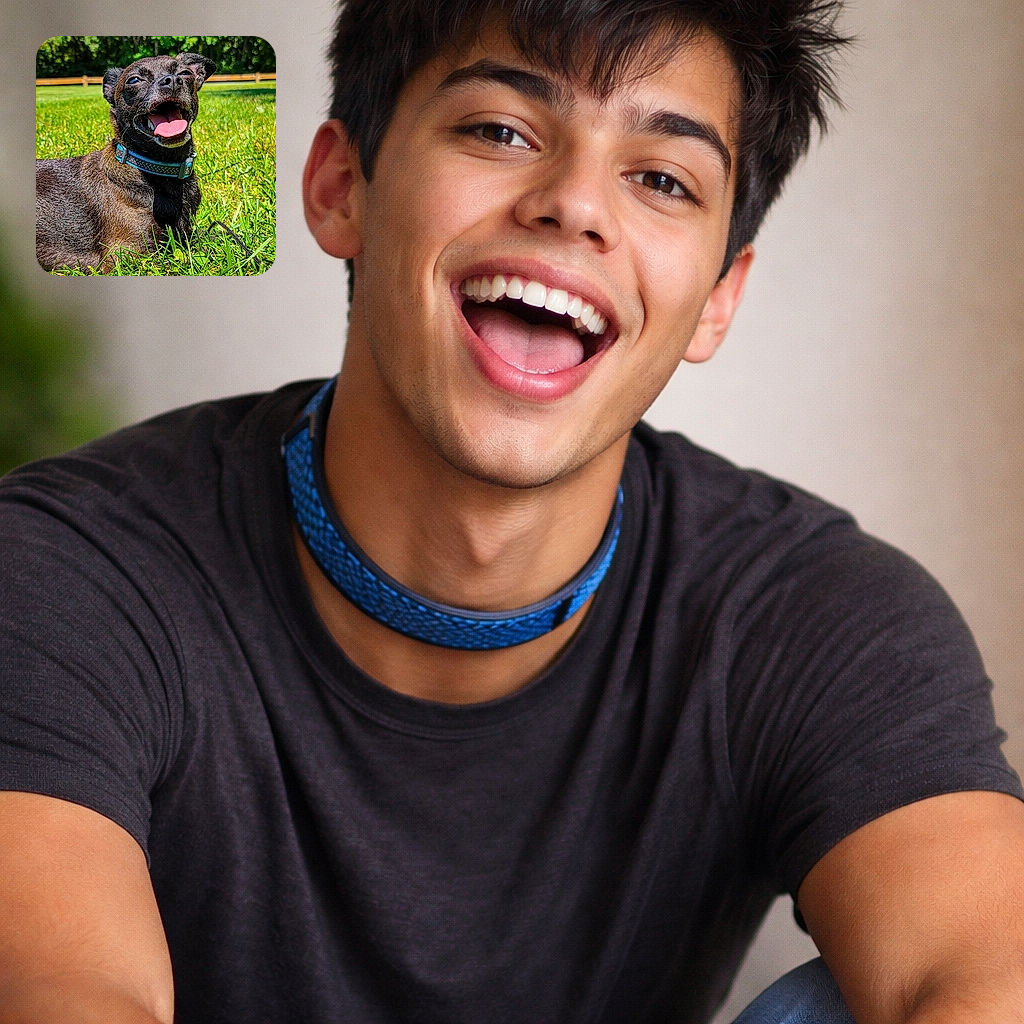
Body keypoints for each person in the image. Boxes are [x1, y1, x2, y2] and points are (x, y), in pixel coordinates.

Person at [2, 0, 1023, 1021]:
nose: (575, 205)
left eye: (662, 179)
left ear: (717, 295)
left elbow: (984, 967)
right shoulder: (64, 570)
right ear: (340, 186)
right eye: (500, 131)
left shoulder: (815, 615)